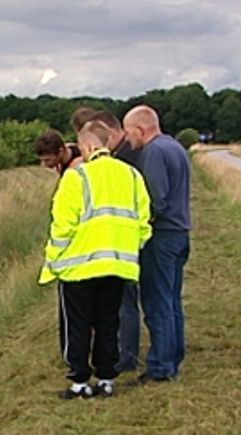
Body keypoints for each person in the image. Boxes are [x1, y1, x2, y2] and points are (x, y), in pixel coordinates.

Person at [39, 125, 152, 399]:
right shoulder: (132, 175)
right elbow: (144, 223)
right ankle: (106, 378)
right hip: (116, 265)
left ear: (86, 147)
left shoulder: (77, 177)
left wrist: (52, 260)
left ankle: (79, 381)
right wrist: (127, 248)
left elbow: (62, 226)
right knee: (108, 322)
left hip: (78, 268)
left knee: (77, 326)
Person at [122, 105, 191, 383]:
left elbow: (155, 200)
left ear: (140, 129)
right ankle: (173, 356)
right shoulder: (175, 147)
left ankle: (161, 366)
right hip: (180, 233)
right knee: (172, 300)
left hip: (161, 237)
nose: (129, 141)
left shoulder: (152, 153)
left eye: (129, 133)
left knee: (156, 302)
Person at [82, 112, 141, 373]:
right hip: (125, 250)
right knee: (117, 309)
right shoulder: (130, 168)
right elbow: (145, 212)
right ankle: (118, 359)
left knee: (120, 309)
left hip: (106, 253)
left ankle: (123, 359)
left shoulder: (85, 175)